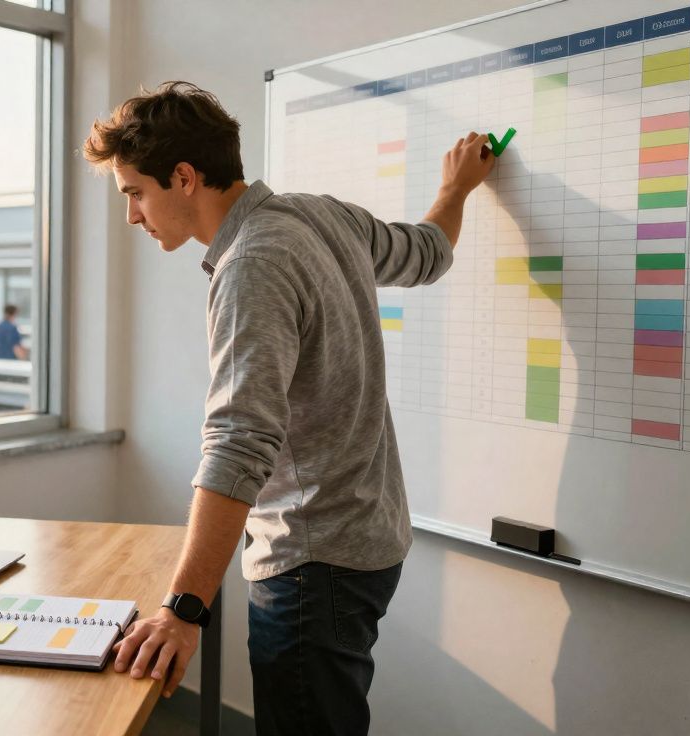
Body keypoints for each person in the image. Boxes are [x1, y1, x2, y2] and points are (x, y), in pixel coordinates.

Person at [85, 82, 494, 734]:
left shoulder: (253, 263)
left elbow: (239, 441)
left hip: (315, 564)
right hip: (369, 541)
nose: (133, 215)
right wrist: (457, 189)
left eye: (135, 192)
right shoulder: (323, 215)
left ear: (184, 177)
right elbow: (427, 253)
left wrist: (183, 609)